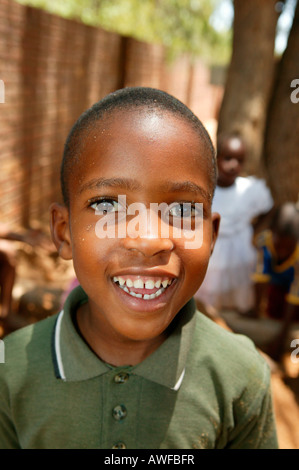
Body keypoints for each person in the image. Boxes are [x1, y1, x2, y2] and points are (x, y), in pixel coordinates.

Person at [0, 88, 278, 449]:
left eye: (182, 211)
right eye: (107, 205)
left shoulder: (241, 377)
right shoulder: (12, 372)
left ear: (211, 235)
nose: (148, 240)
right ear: (63, 232)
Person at [195, 134, 273, 315]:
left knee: (238, 295)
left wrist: (255, 231)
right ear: (217, 158)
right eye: (228, 158)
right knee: (208, 299)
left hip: (241, 253)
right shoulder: (206, 188)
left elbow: (268, 209)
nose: (233, 165)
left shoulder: (249, 190)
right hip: (212, 252)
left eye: (239, 160)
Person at [252, 202, 299, 360]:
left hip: (295, 293)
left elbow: (294, 296)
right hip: (278, 286)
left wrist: (280, 338)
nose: (282, 252)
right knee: (273, 311)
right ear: (272, 233)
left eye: (288, 247)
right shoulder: (263, 241)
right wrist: (255, 309)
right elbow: (260, 278)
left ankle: (290, 352)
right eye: (279, 246)